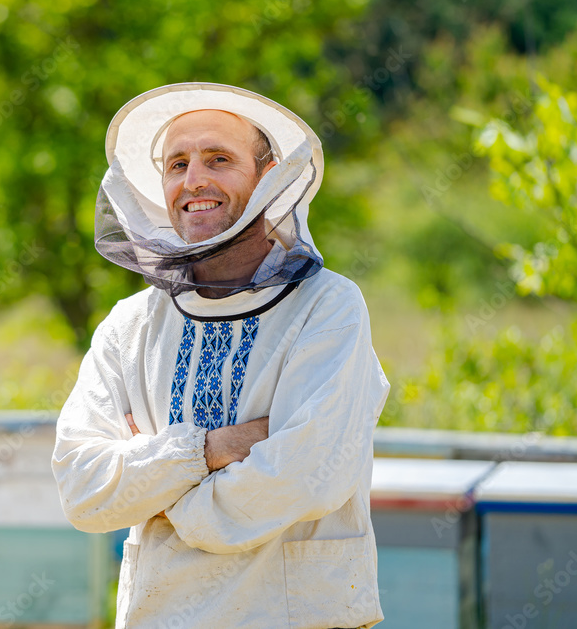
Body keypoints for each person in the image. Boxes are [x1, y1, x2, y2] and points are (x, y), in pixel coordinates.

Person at [52, 82, 389, 628]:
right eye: (177, 163)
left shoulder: (329, 308)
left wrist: (156, 493)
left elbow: (305, 476)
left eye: (219, 159)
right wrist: (211, 450)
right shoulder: (128, 326)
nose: (194, 180)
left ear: (269, 174)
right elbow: (82, 490)